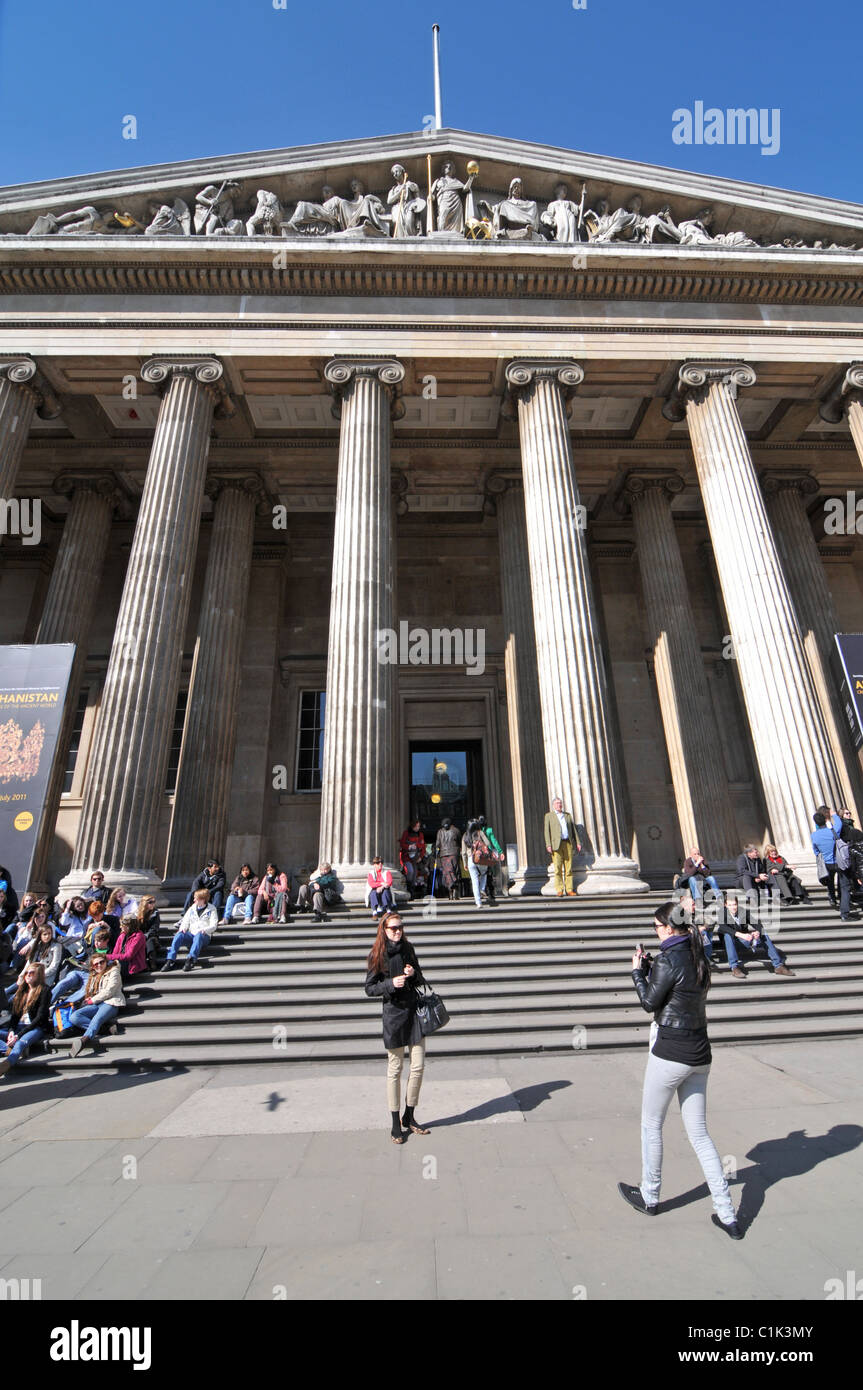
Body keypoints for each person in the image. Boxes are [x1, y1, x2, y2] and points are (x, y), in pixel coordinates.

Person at [618, 902, 741, 1239]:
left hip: (671, 1051)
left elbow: (649, 1004)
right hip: (700, 1052)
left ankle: (650, 1194)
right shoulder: (700, 956)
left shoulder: (668, 959)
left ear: (669, 929)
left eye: (657, 927)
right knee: (700, 1135)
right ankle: (727, 1214)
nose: (655, 932)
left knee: (651, 1125)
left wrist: (637, 972)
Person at [364, 912, 430, 1144]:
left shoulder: (408, 948)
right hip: (393, 1015)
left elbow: (421, 979)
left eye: (400, 927)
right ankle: (395, 1123)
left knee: (418, 1066)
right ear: (384, 930)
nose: (398, 931)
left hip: (413, 1013)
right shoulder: (378, 954)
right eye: (393, 928)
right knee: (395, 1070)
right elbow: (369, 988)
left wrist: (413, 975)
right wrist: (390, 984)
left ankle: (409, 1115)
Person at [715, 894, 794, 979]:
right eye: (730, 905)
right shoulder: (722, 913)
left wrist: (757, 932)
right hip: (731, 944)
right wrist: (741, 935)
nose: (733, 907)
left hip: (744, 941)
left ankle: (778, 966)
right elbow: (723, 927)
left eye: (734, 904)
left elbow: (757, 923)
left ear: (737, 904)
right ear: (725, 905)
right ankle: (734, 967)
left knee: (763, 933)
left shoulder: (743, 911)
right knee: (727, 935)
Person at [0, 962, 51, 1078]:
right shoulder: (22, 991)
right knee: (11, 1038)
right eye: (26, 973)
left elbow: (40, 1017)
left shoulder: (45, 991)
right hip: (19, 1026)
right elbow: (15, 1016)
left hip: (36, 1027)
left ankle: (5, 1065)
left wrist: (18, 1036)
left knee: (20, 1043)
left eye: (31, 973)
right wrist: (12, 1031)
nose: (28, 975)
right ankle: (7, 1049)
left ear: (38, 975)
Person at [67, 957, 125, 1057]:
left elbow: (109, 991)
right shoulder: (94, 975)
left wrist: (92, 1000)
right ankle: (105, 1029)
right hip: (97, 1003)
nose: (99, 965)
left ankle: (84, 1041)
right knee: (74, 1017)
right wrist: (91, 997)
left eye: (101, 962)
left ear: (106, 962)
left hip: (111, 1002)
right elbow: (93, 991)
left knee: (96, 1019)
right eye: (95, 964)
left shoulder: (114, 971)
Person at [161, 889, 218, 972]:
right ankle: (170, 960)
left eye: (196, 898)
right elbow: (185, 921)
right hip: (191, 935)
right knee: (179, 935)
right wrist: (183, 928)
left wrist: (204, 930)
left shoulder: (212, 909)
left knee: (199, 936)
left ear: (202, 899)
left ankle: (190, 960)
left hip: (203, 936)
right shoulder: (192, 908)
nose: (194, 900)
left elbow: (214, 925)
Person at [6, 922, 64, 999]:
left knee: (16, 996)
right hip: (31, 974)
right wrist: (23, 974)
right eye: (45, 934)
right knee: (9, 991)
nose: (47, 936)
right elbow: (29, 963)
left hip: (44, 977)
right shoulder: (37, 945)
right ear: (40, 935)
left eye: (49, 934)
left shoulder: (56, 946)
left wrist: (38, 975)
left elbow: (54, 967)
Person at [811, 813, 853, 919]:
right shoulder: (832, 831)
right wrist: (833, 814)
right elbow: (839, 822)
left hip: (827, 863)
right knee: (845, 888)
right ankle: (845, 914)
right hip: (839, 862)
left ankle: (832, 898)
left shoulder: (814, 835)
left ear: (815, 822)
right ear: (825, 820)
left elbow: (816, 851)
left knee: (830, 881)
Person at [543, 798, 580, 897]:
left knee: (569, 868)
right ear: (553, 805)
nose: (559, 805)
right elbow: (547, 831)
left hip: (567, 842)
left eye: (560, 803)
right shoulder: (549, 816)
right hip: (556, 844)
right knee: (557, 868)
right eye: (557, 803)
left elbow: (573, 830)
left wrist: (578, 842)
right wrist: (548, 844)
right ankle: (559, 889)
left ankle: (569, 889)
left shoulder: (567, 815)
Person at [680, 848, 722, 914]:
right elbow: (689, 874)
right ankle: (698, 900)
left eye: (698, 854)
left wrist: (702, 865)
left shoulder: (703, 861)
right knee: (692, 879)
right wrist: (696, 864)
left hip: (702, 879)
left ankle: (719, 896)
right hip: (693, 881)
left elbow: (708, 874)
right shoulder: (687, 862)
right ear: (691, 855)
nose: (697, 855)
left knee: (711, 878)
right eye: (695, 854)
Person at [109, 914, 148, 983]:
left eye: (122, 925)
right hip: (121, 962)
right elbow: (115, 953)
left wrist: (107, 956)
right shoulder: (122, 935)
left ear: (129, 926)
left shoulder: (139, 936)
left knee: (114, 968)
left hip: (132, 965)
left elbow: (128, 956)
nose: (120, 927)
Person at [463, 818, 492, 909]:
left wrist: (465, 864)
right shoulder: (480, 833)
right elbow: (488, 843)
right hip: (480, 858)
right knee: (484, 873)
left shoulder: (465, 836)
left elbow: (463, 852)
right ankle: (482, 889)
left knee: (474, 881)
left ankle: (478, 903)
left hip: (471, 859)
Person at [434, 818, 462, 901]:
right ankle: (454, 886)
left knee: (447, 872)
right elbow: (459, 841)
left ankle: (451, 888)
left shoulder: (440, 832)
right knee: (454, 870)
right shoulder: (456, 830)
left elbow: (438, 844)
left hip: (444, 854)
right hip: (454, 853)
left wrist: (436, 852)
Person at [399, 820, 427, 898]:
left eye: (419, 826)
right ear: (412, 826)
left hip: (415, 857)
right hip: (407, 856)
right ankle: (408, 886)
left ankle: (411, 891)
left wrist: (421, 857)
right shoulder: (406, 833)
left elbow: (423, 847)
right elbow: (402, 843)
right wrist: (409, 847)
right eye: (416, 826)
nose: (418, 828)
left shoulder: (420, 834)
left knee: (414, 874)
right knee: (410, 871)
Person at [136, 896, 161, 970]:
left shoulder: (155, 913)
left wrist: (146, 935)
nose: (153, 904)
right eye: (150, 902)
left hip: (152, 935)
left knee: (149, 941)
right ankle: (143, 963)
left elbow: (155, 927)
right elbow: (136, 928)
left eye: (154, 902)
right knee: (140, 941)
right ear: (144, 903)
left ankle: (152, 962)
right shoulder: (137, 913)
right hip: (140, 935)